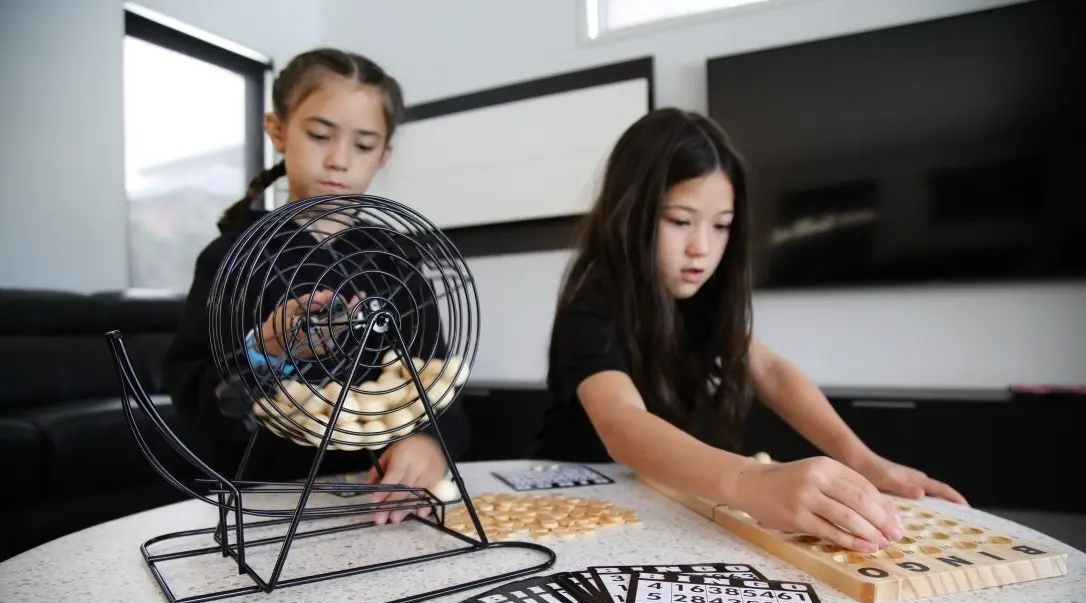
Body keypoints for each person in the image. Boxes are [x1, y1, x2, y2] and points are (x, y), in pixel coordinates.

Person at [527, 108, 967, 553]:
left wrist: (862, 460)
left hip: (649, 499)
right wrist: (753, 482)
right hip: (569, 499)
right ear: (630, 214)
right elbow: (622, 423)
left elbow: (770, 370)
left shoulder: (703, 298)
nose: (701, 248)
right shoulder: (592, 305)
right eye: (680, 221)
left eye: (721, 226)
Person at [163, 48, 469, 524]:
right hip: (266, 506)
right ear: (278, 130)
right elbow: (195, 398)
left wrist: (427, 442)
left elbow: (435, 378)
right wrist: (265, 352)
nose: (339, 160)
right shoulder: (232, 258)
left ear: (385, 154)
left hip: (379, 506)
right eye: (320, 135)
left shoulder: (398, 262)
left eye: (363, 145)